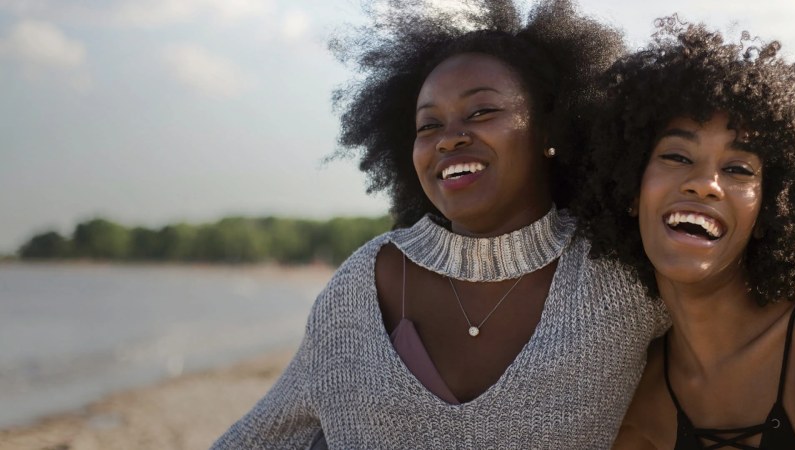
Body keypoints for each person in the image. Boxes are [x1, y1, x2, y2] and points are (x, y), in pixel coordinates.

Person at [212, 1, 668, 448]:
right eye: (428, 125)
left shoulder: (619, 278)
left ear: (549, 130)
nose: (450, 138)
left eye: (482, 112)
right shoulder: (362, 288)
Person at [574, 16, 795, 450]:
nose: (704, 183)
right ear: (631, 191)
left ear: (767, 213)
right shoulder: (637, 404)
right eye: (676, 156)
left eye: (737, 169)